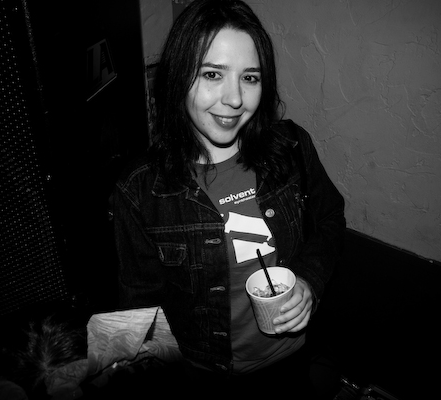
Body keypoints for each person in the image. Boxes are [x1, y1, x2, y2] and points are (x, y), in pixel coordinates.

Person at [111, 0, 345, 397]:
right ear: (178, 76)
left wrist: (309, 279)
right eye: (212, 74)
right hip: (206, 376)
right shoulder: (140, 190)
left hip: (294, 359)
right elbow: (140, 308)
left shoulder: (291, 148)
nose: (235, 98)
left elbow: (329, 219)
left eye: (250, 77)